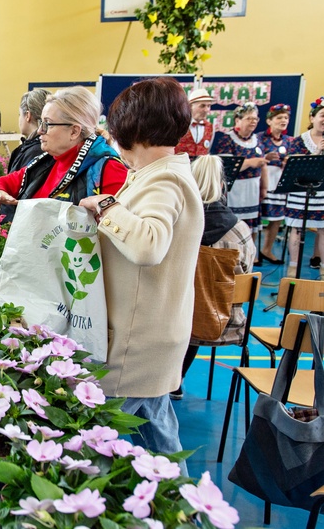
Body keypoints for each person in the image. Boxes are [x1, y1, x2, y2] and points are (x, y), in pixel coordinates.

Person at [78, 77, 203, 470]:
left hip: (138, 338)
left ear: (131, 130)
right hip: (151, 335)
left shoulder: (164, 178)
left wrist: (106, 207)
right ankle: (184, 508)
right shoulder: (159, 173)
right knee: (159, 437)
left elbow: (148, 246)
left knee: (96, 443)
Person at [172, 155, 256, 400]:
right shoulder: (239, 229)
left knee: (192, 298)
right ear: (222, 186)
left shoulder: (176, 223)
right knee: (205, 297)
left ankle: (171, 378)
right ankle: (178, 378)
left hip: (174, 317)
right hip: (223, 321)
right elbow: (245, 272)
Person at [0, 86, 127, 214]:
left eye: (47, 124)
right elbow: (0, 182)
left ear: (74, 132)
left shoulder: (108, 169)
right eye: (41, 123)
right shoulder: (48, 161)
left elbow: (116, 228)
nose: (39, 131)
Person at [211, 103, 272, 237]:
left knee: (252, 226)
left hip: (253, 189)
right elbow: (226, 167)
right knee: (233, 227)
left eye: (255, 119)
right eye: (249, 118)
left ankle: (250, 255)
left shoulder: (258, 140)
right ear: (238, 120)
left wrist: (264, 187)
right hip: (235, 190)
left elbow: (263, 165)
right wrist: (250, 162)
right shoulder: (227, 140)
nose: (253, 122)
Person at [284, 97, 324, 277]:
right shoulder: (297, 141)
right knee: (297, 228)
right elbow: (295, 166)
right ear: (313, 118)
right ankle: (293, 266)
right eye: (322, 115)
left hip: (322, 193)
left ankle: (323, 269)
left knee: (323, 229)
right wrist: (316, 153)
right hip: (300, 193)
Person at [0, 89, 49, 222]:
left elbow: (22, 192)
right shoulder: (32, 147)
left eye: (18, 114)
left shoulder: (36, 150)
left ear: (27, 115)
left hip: (21, 223)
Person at [256, 104, 293, 264]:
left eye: (286, 117)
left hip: (280, 184)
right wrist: (266, 158)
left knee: (276, 219)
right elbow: (256, 157)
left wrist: (288, 162)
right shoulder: (259, 137)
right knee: (257, 219)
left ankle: (267, 249)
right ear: (270, 120)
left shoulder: (289, 140)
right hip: (263, 181)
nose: (283, 120)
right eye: (279, 117)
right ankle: (254, 253)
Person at [175, 88, 216, 157]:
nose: (206, 110)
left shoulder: (210, 127)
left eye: (208, 106)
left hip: (200, 167)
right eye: (202, 106)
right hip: (180, 166)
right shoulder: (179, 124)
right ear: (190, 106)